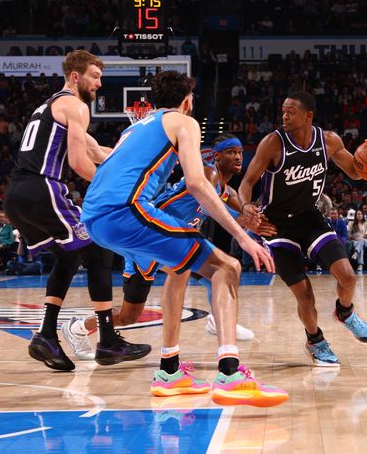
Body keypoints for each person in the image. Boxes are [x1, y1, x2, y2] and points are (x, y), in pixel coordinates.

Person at [81, 71, 286, 407]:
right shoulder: (184, 123)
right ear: (188, 101)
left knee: (179, 269)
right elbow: (196, 183)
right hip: (127, 211)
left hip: (95, 217)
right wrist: (244, 238)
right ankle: (231, 374)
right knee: (227, 266)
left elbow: (105, 162)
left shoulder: (136, 127)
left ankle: (169, 371)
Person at [4, 50, 151, 372]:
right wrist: (117, 190)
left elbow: (95, 150)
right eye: (95, 76)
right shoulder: (76, 105)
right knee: (97, 249)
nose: (99, 83)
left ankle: (45, 336)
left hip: (16, 195)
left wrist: (141, 163)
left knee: (70, 256)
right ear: (75, 76)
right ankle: (108, 342)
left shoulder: (52, 106)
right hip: (42, 187)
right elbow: (78, 162)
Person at [61, 134, 269, 360]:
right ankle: (78, 328)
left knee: (218, 271)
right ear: (217, 156)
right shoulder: (208, 174)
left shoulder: (227, 191)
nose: (238, 157)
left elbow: (241, 213)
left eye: (240, 152)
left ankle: (213, 324)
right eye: (231, 152)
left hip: (170, 244)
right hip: (147, 239)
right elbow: (212, 206)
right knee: (130, 315)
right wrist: (240, 223)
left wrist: (256, 222)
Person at [238, 91, 367, 368]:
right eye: (283, 111)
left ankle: (345, 312)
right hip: (276, 226)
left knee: (348, 277)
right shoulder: (273, 143)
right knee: (305, 295)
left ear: (308, 116)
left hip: (309, 218)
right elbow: (247, 182)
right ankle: (315, 341)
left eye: (291, 112)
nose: (284, 116)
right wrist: (245, 208)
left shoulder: (329, 141)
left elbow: (357, 172)